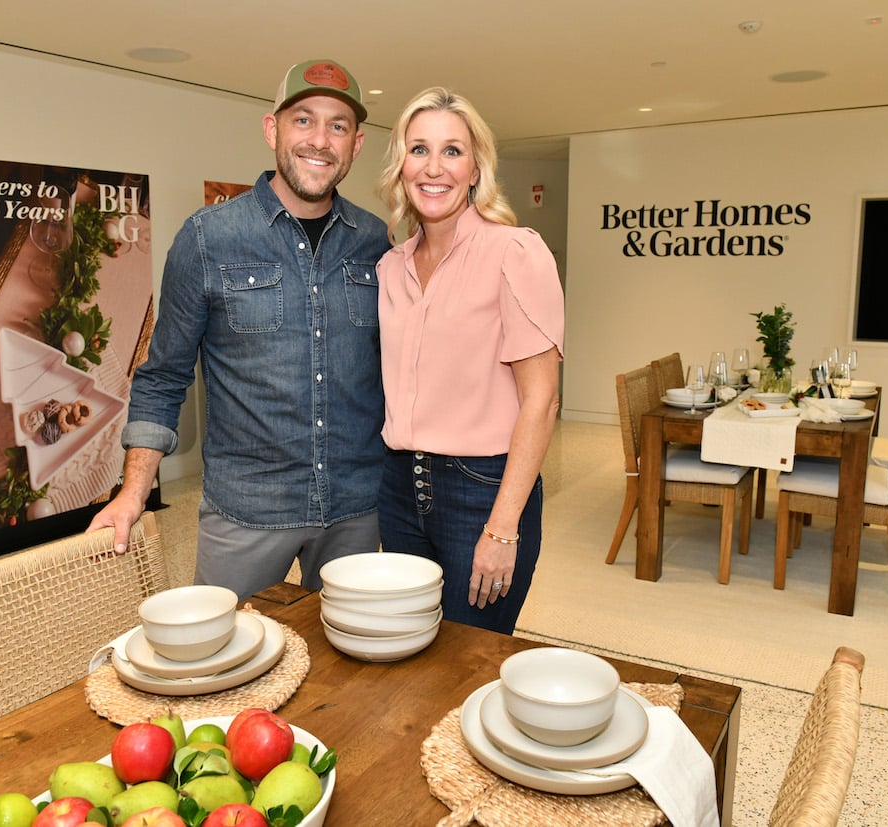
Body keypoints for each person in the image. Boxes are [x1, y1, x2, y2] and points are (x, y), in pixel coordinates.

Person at [88, 59, 390, 600]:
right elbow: (162, 378)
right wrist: (133, 492)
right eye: (303, 120)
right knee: (227, 667)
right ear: (272, 128)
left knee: (355, 665)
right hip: (248, 509)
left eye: (338, 126)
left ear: (357, 145)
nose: (320, 140)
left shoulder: (376, 243)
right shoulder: (208, 239)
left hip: (357, 509)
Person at [374, 87, 564, 634]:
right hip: (399, 487)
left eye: (452, 151)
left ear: (476, 167)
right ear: (401, 165)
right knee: (407, 653)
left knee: (467, 668)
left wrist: (503, 527)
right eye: (419, 150)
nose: (435, 168)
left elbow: (541, 400)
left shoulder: (515, 253)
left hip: (482, 491)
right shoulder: (391, 266)